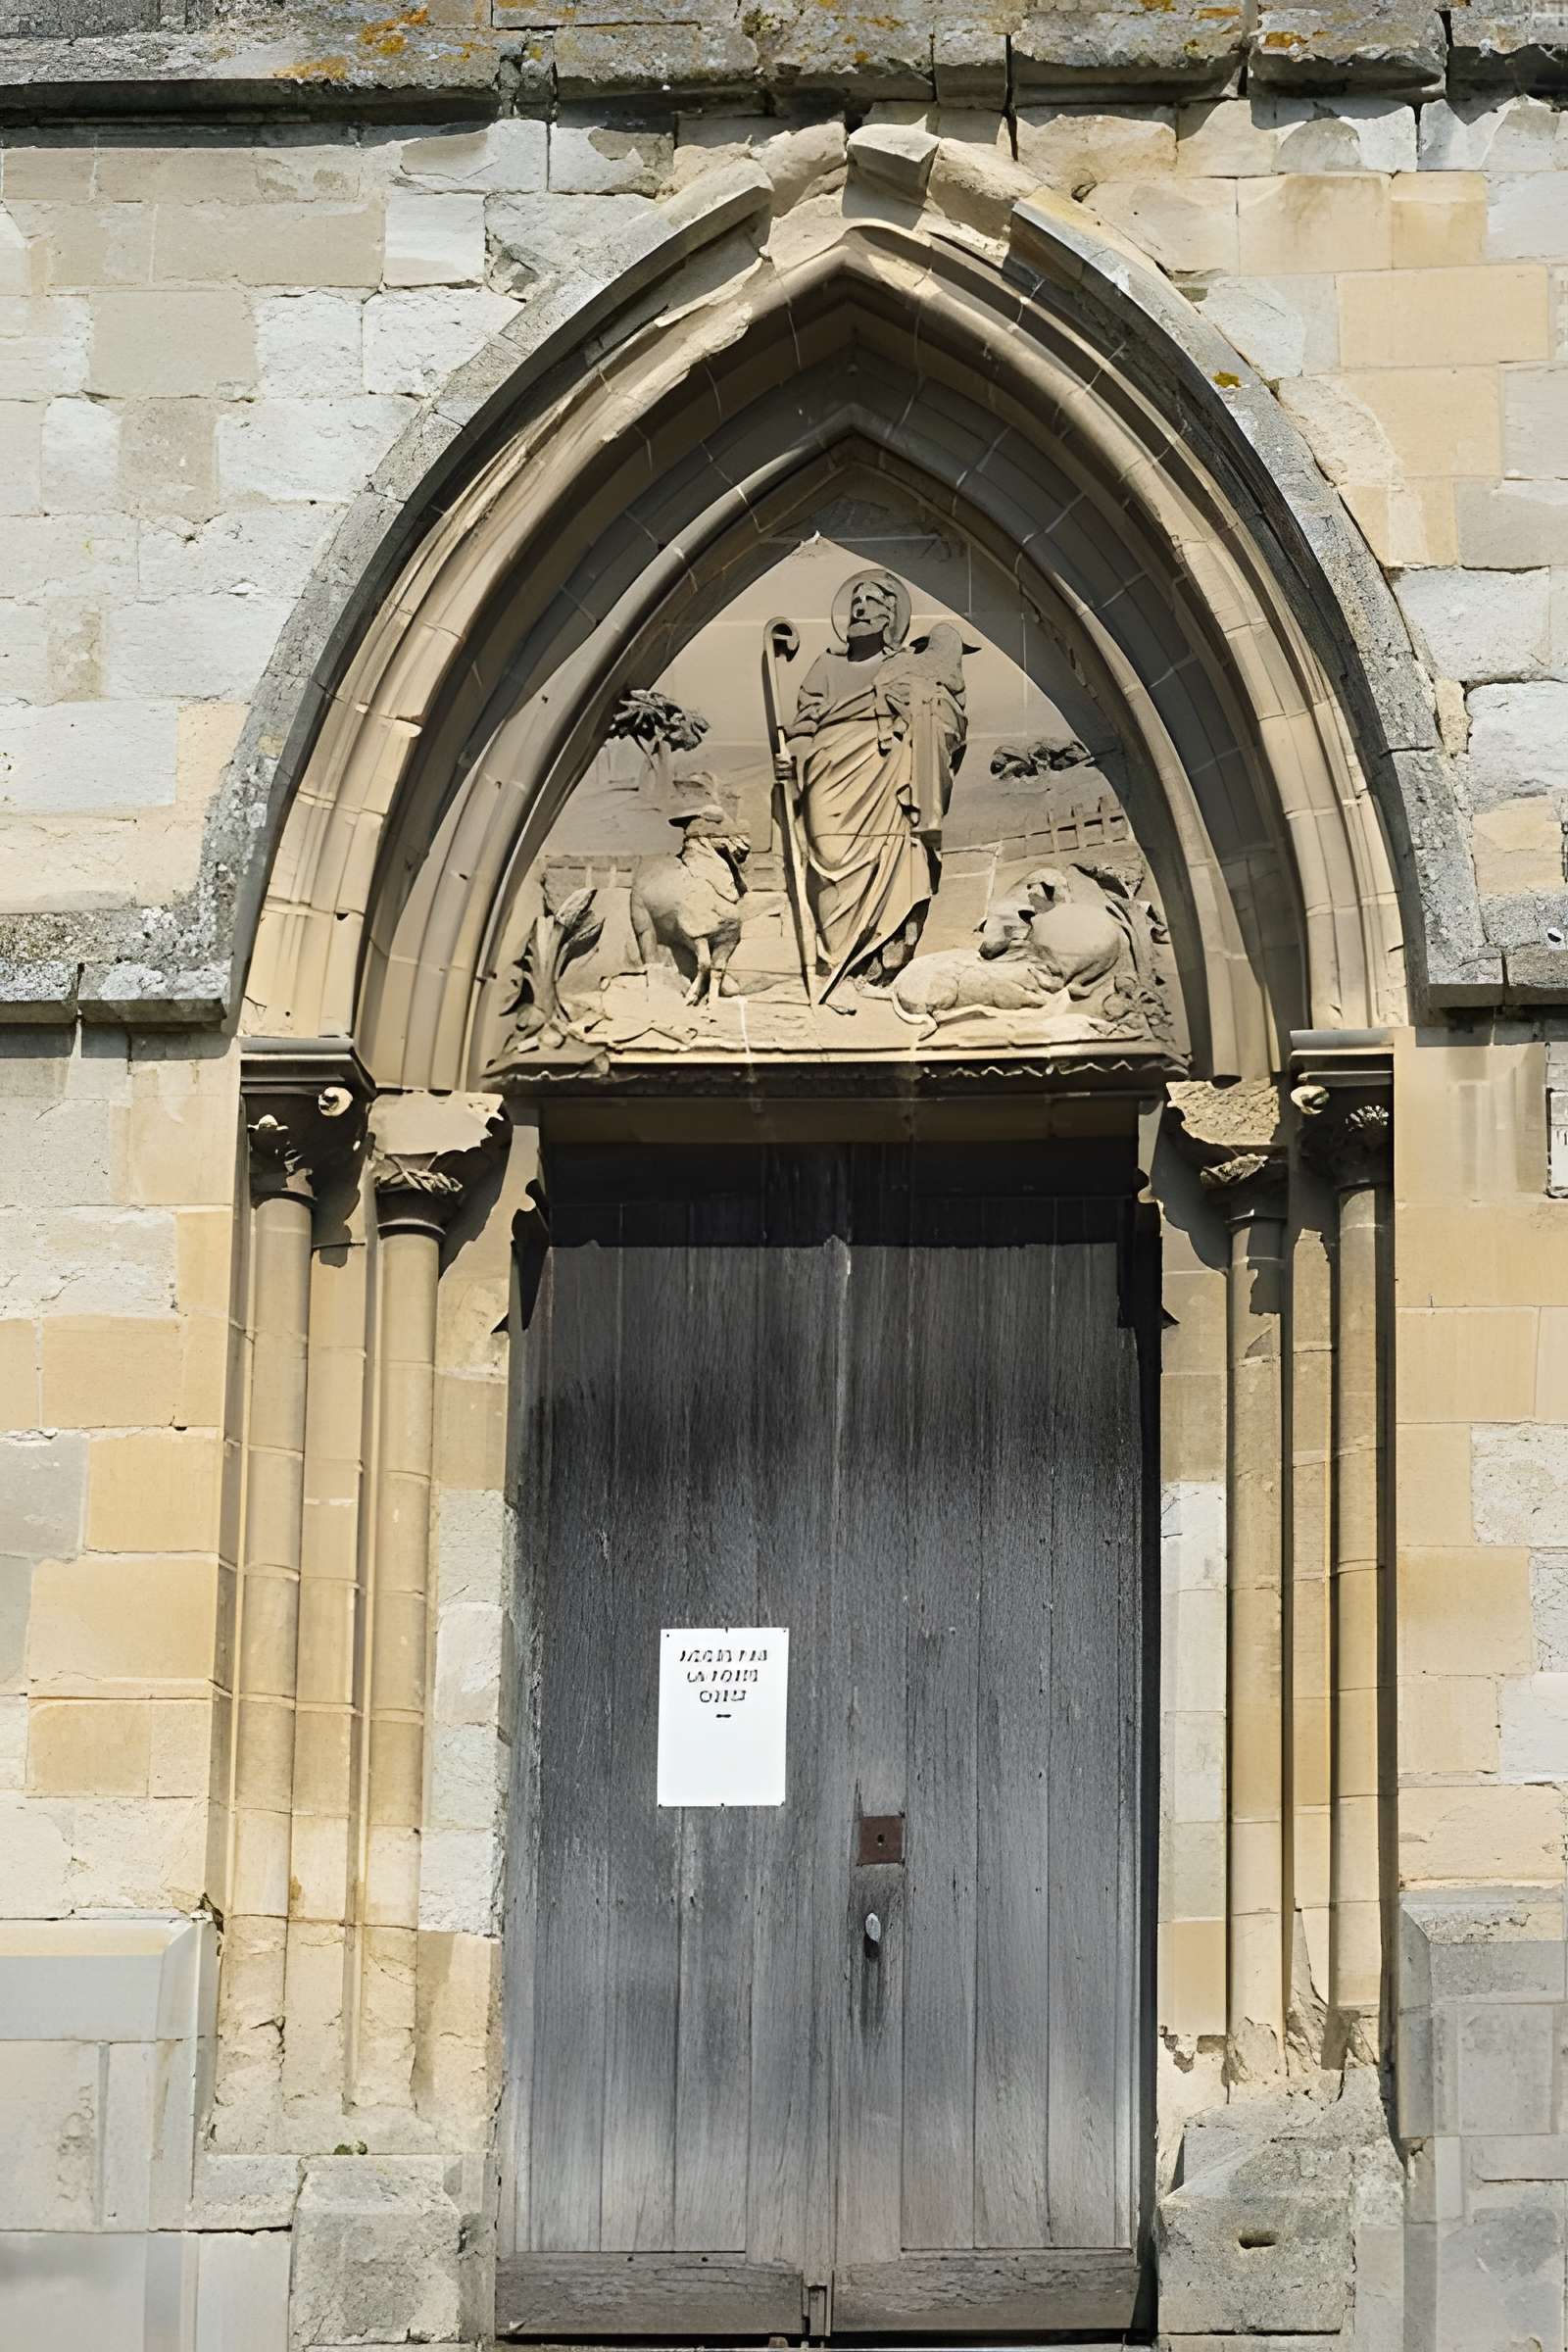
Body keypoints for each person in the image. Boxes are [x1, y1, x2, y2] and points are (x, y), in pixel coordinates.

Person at [776, 568, 968, 998]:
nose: (860, 608)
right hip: (829, 773)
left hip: (891, 779)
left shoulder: (908, 666)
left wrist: (927, 715)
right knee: (828, 857)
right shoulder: (826, 664)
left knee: (896, 861)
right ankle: (831, 966)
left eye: (872, 602)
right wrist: (790, 760)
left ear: (890, 615)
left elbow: (949, 716)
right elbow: (804, 726)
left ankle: (874, 967)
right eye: (855, 602)